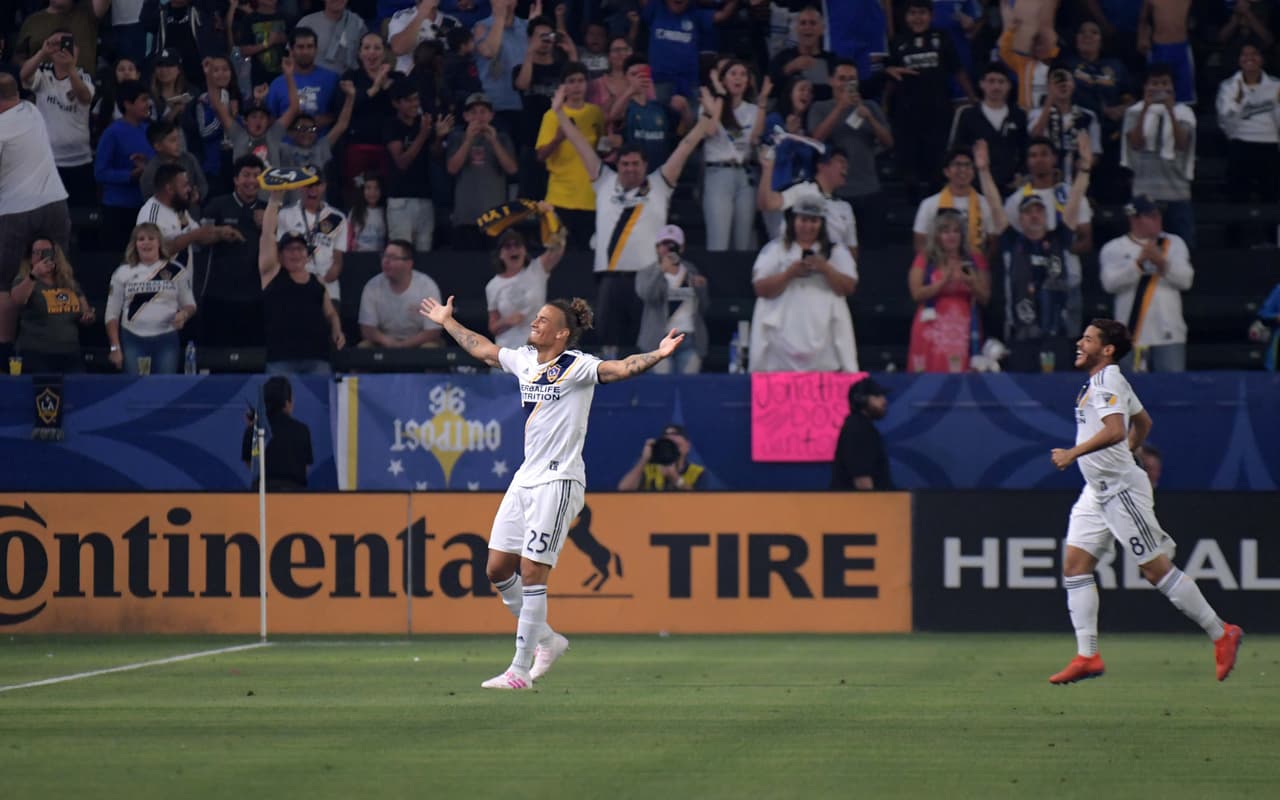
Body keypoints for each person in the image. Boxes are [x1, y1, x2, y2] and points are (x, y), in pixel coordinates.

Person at [417, 291, 686, 689]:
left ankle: (520, 670)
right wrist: (447, 322)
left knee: (531, 570)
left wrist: (658, 354)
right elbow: (486, 350)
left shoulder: (576, 366)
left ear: (561, 334)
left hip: (559, 480)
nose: (534, 323)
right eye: (536, 318)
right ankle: (547, 639)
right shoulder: (525, 361)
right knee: (496, 569)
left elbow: (619, 369)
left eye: (543, 320)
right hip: (526, 477)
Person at [1046, 318, 1243, 684]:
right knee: (1074, 566)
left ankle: (1222, 632)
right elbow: (1144, 423)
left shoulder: (1106, 381)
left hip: (1120, 490)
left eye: (1087, 339)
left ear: (1106, 350)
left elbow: (1116, 430)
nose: (1079, 343)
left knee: (1155, 570)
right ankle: (1087, 656)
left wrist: (1074, 453)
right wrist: (1127, 450)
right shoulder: (1108, 381)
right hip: (1098, 490)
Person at [551, 83, 721, 358]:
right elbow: (581, 144)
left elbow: (686, 147)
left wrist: (705, 120)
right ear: (617, 166)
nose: (630, 169)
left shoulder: (660, 183)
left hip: (650, 277)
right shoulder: (603, 181)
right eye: (625, 164)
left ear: (645, 166)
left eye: (635, 164)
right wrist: (558, 113)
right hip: (609, 277)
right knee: (609, 345)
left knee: (648, 344)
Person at [976, 135, 1091, 372]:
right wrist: (984, 172)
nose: (1034, 215)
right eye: (1028, 212)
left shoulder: (1059, 238)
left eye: (1039, 211)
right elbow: (996, 206)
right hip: (1022, 333)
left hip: (1057, 331)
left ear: (1046, 215)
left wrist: (1085, 170)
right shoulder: (1013, 241)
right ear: (1020, 218)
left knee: (1058, 391)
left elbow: (1074, 202)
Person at [0, 72, 72, 365]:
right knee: (60, 272)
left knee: (3, 285)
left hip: (16, 209)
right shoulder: (33, 112)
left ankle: (4, 352)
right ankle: (62, 341)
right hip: (55, 204)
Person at [749, 195, 859, 372]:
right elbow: (760, 288)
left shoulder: (836, 251)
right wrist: (789, 274)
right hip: (783, 334)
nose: (808, 226)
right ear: (794, 221)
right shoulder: (775, 250)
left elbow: (849, 287)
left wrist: (826, 269)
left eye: (814, 221)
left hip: (824, 333)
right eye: (803, 220)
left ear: (822, 223)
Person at [1098, 195, 1193, 372]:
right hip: (1130, 334)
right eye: (1151, 216)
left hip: (1169, 333)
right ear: (1134, 219)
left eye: (1158, 215)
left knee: (1171, 391)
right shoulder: (1114, 248)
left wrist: (1162, 264)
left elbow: (1186, 280)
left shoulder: (1174, 244)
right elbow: (1109, 284)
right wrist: (1138, 264)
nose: (1158, 220)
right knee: (1131, 393)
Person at [259, 189, 346, 375]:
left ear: (307, 254)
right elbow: (267, 234)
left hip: (317, 358)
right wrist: (274, 200)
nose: (295, 253)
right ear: (280, 255)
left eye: (300, 249)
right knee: (278, 403)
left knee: (320, 404)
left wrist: (337, 330)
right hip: (282, 359)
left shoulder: (317, 281)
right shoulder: (272, 274)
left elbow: (330, 313)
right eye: (289, 249)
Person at [105, 223, 197, 374]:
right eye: (141, 239)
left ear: (159, 242)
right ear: (135, 244)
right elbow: (111, 314)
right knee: (134, 390)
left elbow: (190, 304)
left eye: (151, 238)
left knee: (164, 390)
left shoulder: (176, 270)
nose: (146, 242)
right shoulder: (122, 273)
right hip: (132, 340)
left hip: (166, 339)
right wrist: (115, 348)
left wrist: (184, 314)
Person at [907, 210, 990, 373]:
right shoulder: (925, 258)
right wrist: (941, 283)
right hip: (931, 326)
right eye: (945, 231)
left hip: (963, 326)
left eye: (956, 231)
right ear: (937, 236)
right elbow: (916, 294)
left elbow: (985, 298)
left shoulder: (974, 259)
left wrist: (972, 283)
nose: (951, 236)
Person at [19, 31, 96, 208]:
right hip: (48, 162)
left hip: (80, 161)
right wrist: (42, 52)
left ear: (77, 50)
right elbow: (23, 76)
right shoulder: (42, 75)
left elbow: (84, 97)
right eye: (56, 44)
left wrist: (70, 68)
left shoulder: (84, 77)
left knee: (82, 216)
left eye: (67, 44)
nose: (62, 48)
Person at [1121, 64, 1196, 245]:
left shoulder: (1184, 113)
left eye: (1165, 83)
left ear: (1172, 87)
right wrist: (1146, 108)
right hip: (1144, 193)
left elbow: (1181, 144)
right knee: (1141, 247)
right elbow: (1136, 143)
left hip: (1177, 193)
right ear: (1145, 87)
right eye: (1154, 83)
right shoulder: (1134, 112)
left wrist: (1170, 111)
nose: (1160, 88)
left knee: (1182, 248)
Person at [199, 155, 267, 347]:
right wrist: (218, 233)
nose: (252, 181)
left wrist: (269, 226)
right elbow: (200, 240)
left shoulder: (270, 210)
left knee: (253, 359)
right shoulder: (217, 205)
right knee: (217, 359)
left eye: (256, 175)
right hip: (219, 296)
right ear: (236, 179)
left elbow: (280, 250)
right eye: (246, 175)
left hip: (256, 297)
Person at [535, 62, 604, 249]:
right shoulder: (552, 115)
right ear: (563, 86)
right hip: (560, 198)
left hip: (590, 199)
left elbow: (602, 148)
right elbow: (540, 156)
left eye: (581, 81)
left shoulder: (595, 113)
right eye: (571, 81)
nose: (576, 86)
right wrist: (557, 139)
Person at [445, 92, 519, 249]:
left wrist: (493, 141)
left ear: (491, 115)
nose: (478, 117)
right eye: (473, 112)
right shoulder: (457, 138)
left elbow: (512, 169)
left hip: (495, 218)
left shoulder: (502, 138)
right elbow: (452, 168)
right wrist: (468, 140)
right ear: (465, 116)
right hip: (466, 217)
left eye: (483, 112)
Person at [10, 235, 93, 373]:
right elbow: (17, 300)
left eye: (46, 251)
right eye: (36, 252)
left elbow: (86, 310)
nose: (42, 256)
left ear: (55, 255)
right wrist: (33, 275)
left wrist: (88, 316)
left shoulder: (68, 282)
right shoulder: (24, 279)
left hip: (69, 353)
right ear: (30, 258)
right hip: (36, 354)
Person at [635, 224, 708, 375]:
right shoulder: (647, 272)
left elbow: (704, 306)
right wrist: (661, 270)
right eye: (664, 244)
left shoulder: (691, 270)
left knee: (688, 387)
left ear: (681, 248)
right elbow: (646, 295)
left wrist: (701, 287)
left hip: (688, 338)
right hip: (658, 340)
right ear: (657, 248)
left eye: (672, 245)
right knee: (661, 389)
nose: (668, 249)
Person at [1215, 43, 1280, 204]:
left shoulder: (1276, 85)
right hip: (1240, 143)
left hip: (1270, 144)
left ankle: (1272, 230)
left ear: (1262, 59)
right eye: (1244, 54)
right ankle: (1234, 229)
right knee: (1236, 195)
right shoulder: (1228, 86)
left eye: (1254, 54)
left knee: (1271, 195)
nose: (1249, 58)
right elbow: (1225, 121)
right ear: (1238, 59)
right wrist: (1237, 102)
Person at [948, 63, 1026, 194]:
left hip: (1010, 186)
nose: (996, 86)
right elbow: (958, 149)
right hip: (975, 186)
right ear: (982, 84)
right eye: (991, 81)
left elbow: (1025, 148)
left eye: (1001, 82)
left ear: (1009, 86)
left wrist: (1021, 174)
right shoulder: (968, 115)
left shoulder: (1018, 115)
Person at [485, 226, 566, 351]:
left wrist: (554, 225)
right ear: (501, 254)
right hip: (508, 352)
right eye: (508, 246)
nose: (513, 249)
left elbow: (557, 249)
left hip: (537, 351)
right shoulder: (493, 285)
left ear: (524, 251)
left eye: (517, 245)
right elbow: (493, 327)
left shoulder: (537, 269)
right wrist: (507, 321)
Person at [357, 239, 444, 348]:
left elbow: (433, 331)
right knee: (364, 347)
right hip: (384, 342)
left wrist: (404, 345)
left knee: (430, 347)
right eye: (384, 256)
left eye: (393, 258)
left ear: (409, 264)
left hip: (419, 342)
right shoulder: (372, 286)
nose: (386, 261)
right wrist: (389, 343)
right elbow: (367, 329)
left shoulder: (427, 286)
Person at [277, 173, 348, 300]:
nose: (312, 189)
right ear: (300, 186)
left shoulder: (337, 217)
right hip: (294, 288)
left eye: (317, 185)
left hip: (328, 289)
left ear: (324, 186)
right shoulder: (285, 215)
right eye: (308, 185)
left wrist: (323, 282)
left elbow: (338, 261)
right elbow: (279, 256)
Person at [911, 147, 994, 254]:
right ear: (946, 172)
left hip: (975, 265)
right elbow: (920, 242)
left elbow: (992, 241)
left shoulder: (985, 204)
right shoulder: (929, 204)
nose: (963, 170)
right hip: (938, 265)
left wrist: (980, 266)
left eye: (968, 165)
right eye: (958, 165)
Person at [242, 375, 314, 491]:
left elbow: (250, 464)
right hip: (295, 494)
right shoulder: (302, 430)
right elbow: (305, 468)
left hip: (262, 493)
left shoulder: (254, 430)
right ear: (287, 403)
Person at [830, 376, 892, 490]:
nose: (884, 401)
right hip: (858, 506)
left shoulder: (860, 426)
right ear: (861, 400)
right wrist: (874, 506)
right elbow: (862, 480)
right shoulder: (858, 429)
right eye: (877, 396)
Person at [617, 423, 705, 490]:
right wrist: (644, 459)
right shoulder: (649, 470)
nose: (670, 438)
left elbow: (705, 504)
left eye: (675, 434)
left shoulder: (697, 472)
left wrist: (676, 478)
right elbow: (624, 488)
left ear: (687, 446)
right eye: (666, 435)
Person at [299, 0, 368, 75]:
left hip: (348, 81)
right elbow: (293, 57)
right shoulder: (306, 22)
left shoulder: (358, 24)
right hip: (314, 82)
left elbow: (366, 58)